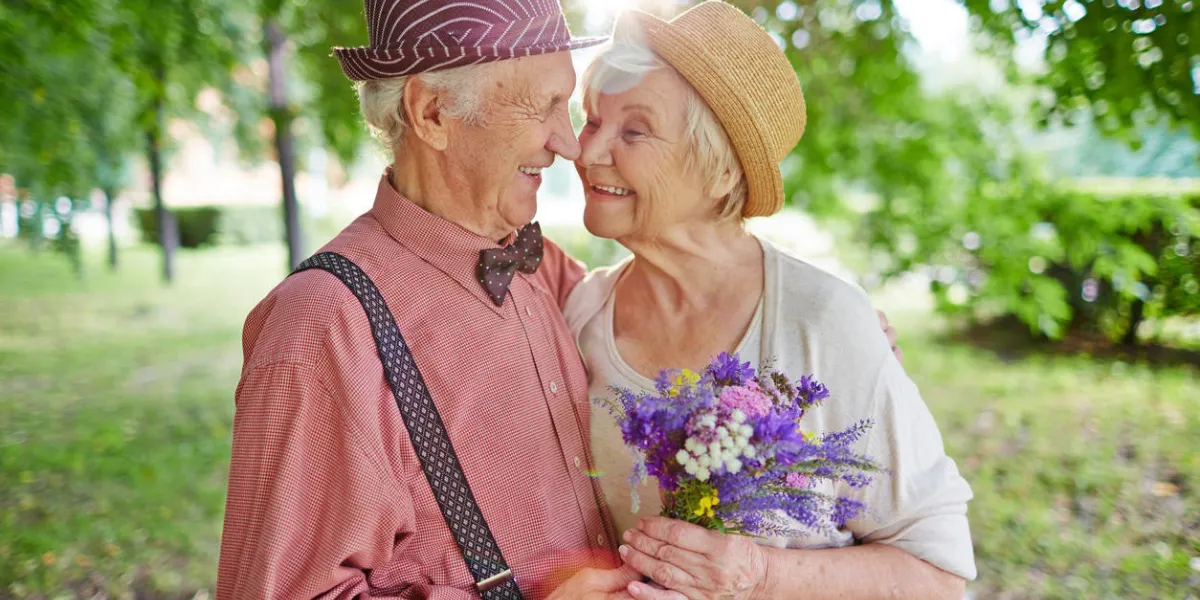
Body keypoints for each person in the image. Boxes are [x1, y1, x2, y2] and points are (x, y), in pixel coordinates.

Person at [561, 3, 976, 599]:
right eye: (592, 120)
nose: (587, 152)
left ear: (720, 172)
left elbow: (937, 574)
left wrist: (760, 576)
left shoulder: (822, 322)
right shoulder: (580, 315)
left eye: (633, 130)